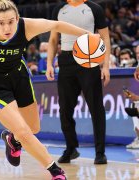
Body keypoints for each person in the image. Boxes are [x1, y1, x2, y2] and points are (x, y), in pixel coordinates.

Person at [0, 0, 90, 179]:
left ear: (17, 18)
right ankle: (55, 171)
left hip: (18, 76)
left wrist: (88, 34)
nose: (7, 28)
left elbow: (57, 24)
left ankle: (12, 139)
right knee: (24, 131)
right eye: (1, 23)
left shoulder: (27, 26)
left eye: (11, 21)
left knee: (33, 128)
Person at [46, 0, 111, 165]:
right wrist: (49, 64)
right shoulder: (59, 9)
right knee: (64, 109)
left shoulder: (94, 8)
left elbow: (105, 37)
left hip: (89, 61)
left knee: (96, 108)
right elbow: (53, 40)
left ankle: (100, 152)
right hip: (66, 61)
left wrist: (106, 66)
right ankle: (71, 148)